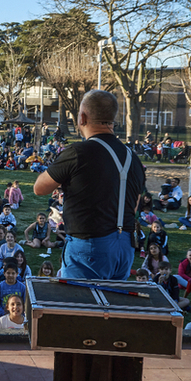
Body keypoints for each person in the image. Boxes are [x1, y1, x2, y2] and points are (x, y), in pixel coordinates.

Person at [33, 90, 144, 280]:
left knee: (82, 306)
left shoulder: (78, 152)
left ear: (82, 117)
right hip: (124, 246)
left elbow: (39, 188)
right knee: (111, 304)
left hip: (89, 246)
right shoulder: (132, 157)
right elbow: (134, 204)